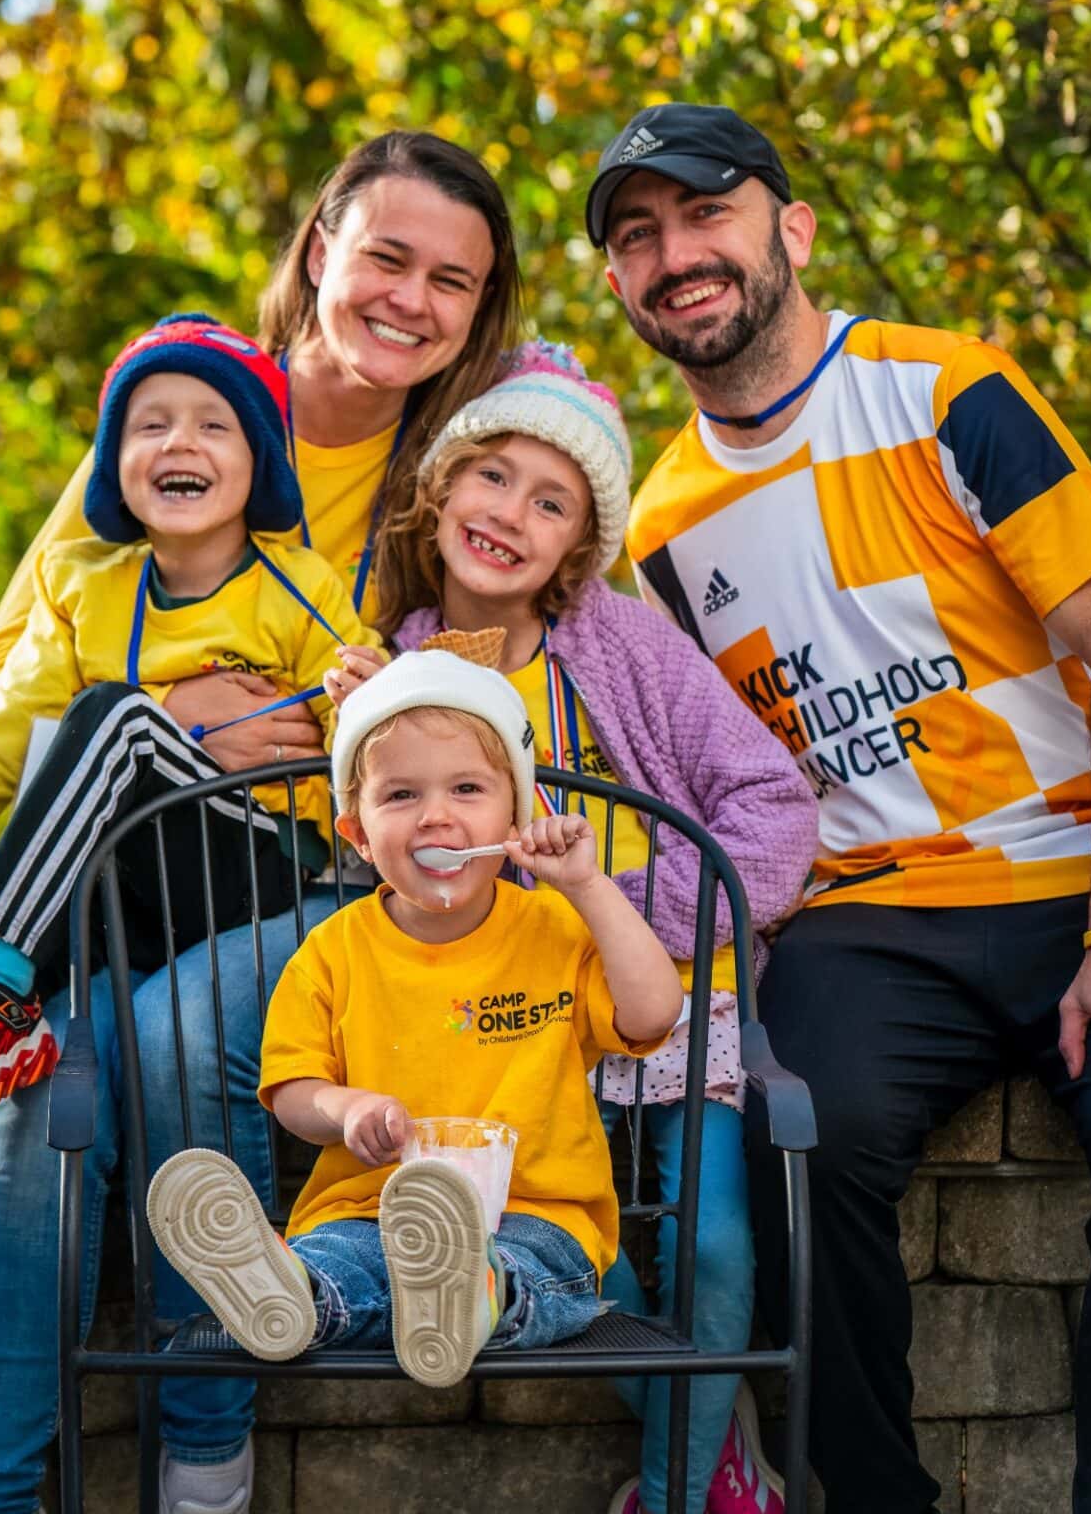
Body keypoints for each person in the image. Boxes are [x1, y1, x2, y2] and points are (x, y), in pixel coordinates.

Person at [0, 132, 523, 1514]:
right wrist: (162, 723)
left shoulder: (463, 471)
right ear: (319, 248)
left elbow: (461, 703)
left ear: (481, 314)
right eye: (385, 257)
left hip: (301, 880)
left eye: (453, 282)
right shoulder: (176, 414)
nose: (410, 300)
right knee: (34, 1089)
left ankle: (202, 1447)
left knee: (153, 1035)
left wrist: (305, 729)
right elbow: (19, 680)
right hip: (114, 865)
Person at [586, 101, 1091, 1514]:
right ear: (617, 287)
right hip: (870, 917)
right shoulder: (652, 530)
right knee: (794, 1142)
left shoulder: (947, 388)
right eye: (637, 237)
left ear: (792, 226)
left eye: (705, 212)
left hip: (1081, 868)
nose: (676, 255)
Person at [327, 342, 817, 1514]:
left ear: (579, 547)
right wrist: (361, 739)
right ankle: (712, 1441)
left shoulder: (627, 646)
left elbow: (776, 816)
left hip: (664, 1005)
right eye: (492, 478)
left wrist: (621, 911)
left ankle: (678, 1490)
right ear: (443, 489)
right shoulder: (395, 671)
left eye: (552, 503)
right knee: (566, 1261)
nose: (511, 514)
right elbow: (387, 888)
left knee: (705, 1249)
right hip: (504, 1032)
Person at [0, 313, 372, 1117]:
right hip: (117, 883)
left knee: (118, 718)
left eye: (214, 425)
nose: (179, 443)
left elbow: (363, 735)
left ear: (259, 464)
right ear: (114, 464)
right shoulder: (81, 587)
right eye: (151, 426)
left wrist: (362, 701)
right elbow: (5, 727)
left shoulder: (298, 586)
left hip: (246, 865)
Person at [147, 649, 683, 1389]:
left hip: (539, 1214)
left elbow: (654, 1011)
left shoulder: (556, 928)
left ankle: (475, 1294)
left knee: (532, 1272)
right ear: (359, 835)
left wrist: (588, 887)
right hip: (367, 1210)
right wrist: (348, 1109)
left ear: (514, 816)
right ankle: (290, 1294)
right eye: (400, 795)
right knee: (341, 1261)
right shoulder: (331, 950)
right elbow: (294, 1091)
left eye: (467, 788)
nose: (436, 814)